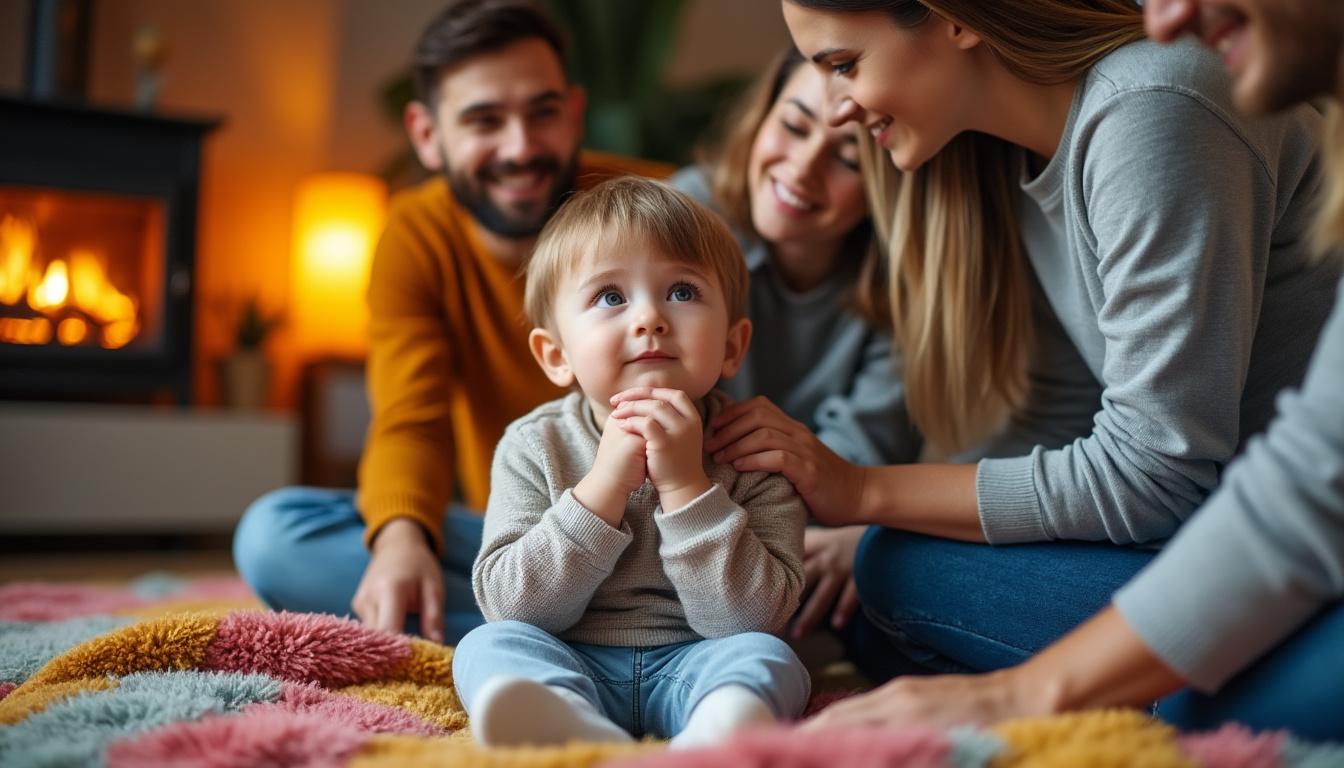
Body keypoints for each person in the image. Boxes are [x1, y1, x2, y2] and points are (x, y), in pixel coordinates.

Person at [706, 0, 1340, 683]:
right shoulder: (1008, 154)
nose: (838, 110)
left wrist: (861, 492)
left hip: (1293, 558)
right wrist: (881, 524)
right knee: (878, 579)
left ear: (954, 17)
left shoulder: (1152, 108)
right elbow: (1059, 413)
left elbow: (1157, 473)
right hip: (1219, 537)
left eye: (845, 66)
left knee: (892, 576)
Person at [232, 0, 665, 645]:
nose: (521, 148)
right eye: (484, 120)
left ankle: (561, 625)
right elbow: (411, 420)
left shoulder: (655, 207)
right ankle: (619, 629)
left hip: (667, 532)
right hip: (518, 540)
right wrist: (403, 538)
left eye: (542, 113)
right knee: (275, 537)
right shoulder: (416, 234)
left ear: (573, 112)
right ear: (427, 135)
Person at [451, 177, 809, 748]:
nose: (649, 319)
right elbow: (511, 605)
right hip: (572, 657)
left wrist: (689, 487)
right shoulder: (533, 444)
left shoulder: (751, 448)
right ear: (556, 355)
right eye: (611, 297)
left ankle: (720, 727)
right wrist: (603, 486)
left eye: (683, 292)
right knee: (485, 646)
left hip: (698, 661)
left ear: (732, 347)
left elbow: (755, 617)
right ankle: (564, 717)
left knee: (770, 656)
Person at [671, 48, 919, 647]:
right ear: (761, 118)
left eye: (847, 158)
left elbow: (854, 467)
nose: (803, 170)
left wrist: (851, 532)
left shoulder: (902, 287)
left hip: (791, 549)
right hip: (670, 512)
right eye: (793, 125)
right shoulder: (682, 221)